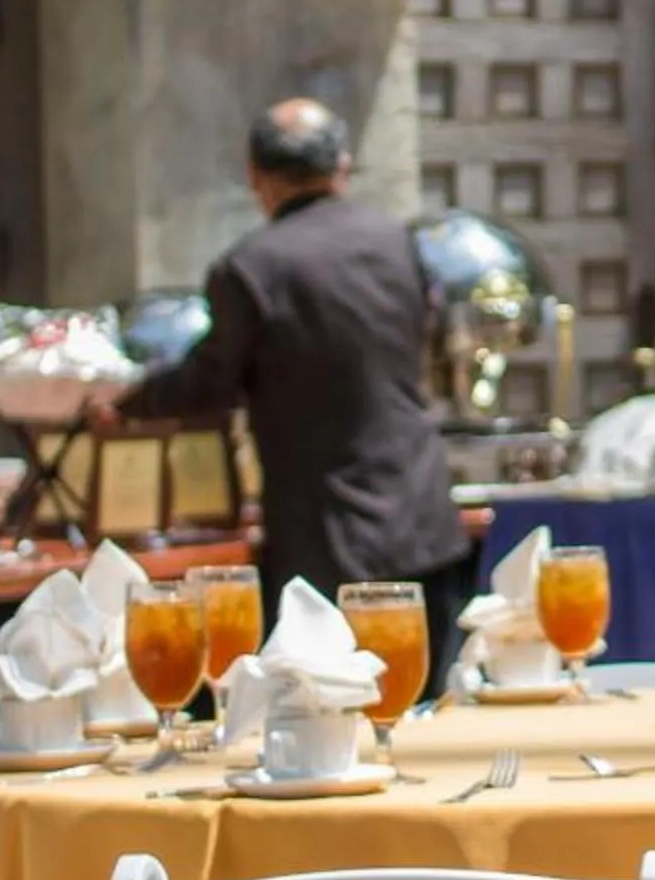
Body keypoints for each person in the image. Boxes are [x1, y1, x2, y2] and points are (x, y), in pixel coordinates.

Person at [97, 99, 477, 685]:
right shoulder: (398, 242)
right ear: (342, 167)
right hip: (423, 522)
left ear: (255, 176)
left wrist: (124, 404)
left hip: (324, 543)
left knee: (326, 711)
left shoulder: (250, 267)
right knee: (425, 706)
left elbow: (209, 383)